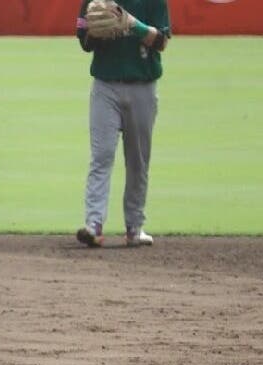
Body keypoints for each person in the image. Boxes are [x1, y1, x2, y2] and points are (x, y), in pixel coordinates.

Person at [75, 0, 171, 248]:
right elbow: (84, 42)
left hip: (143, 87)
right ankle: (93, 225)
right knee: (102, 156)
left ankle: (134, 228)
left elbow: (161, 42)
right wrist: (96, 33)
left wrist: (132, 24)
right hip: (105, 87)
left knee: (138, 161)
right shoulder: (96, 0)